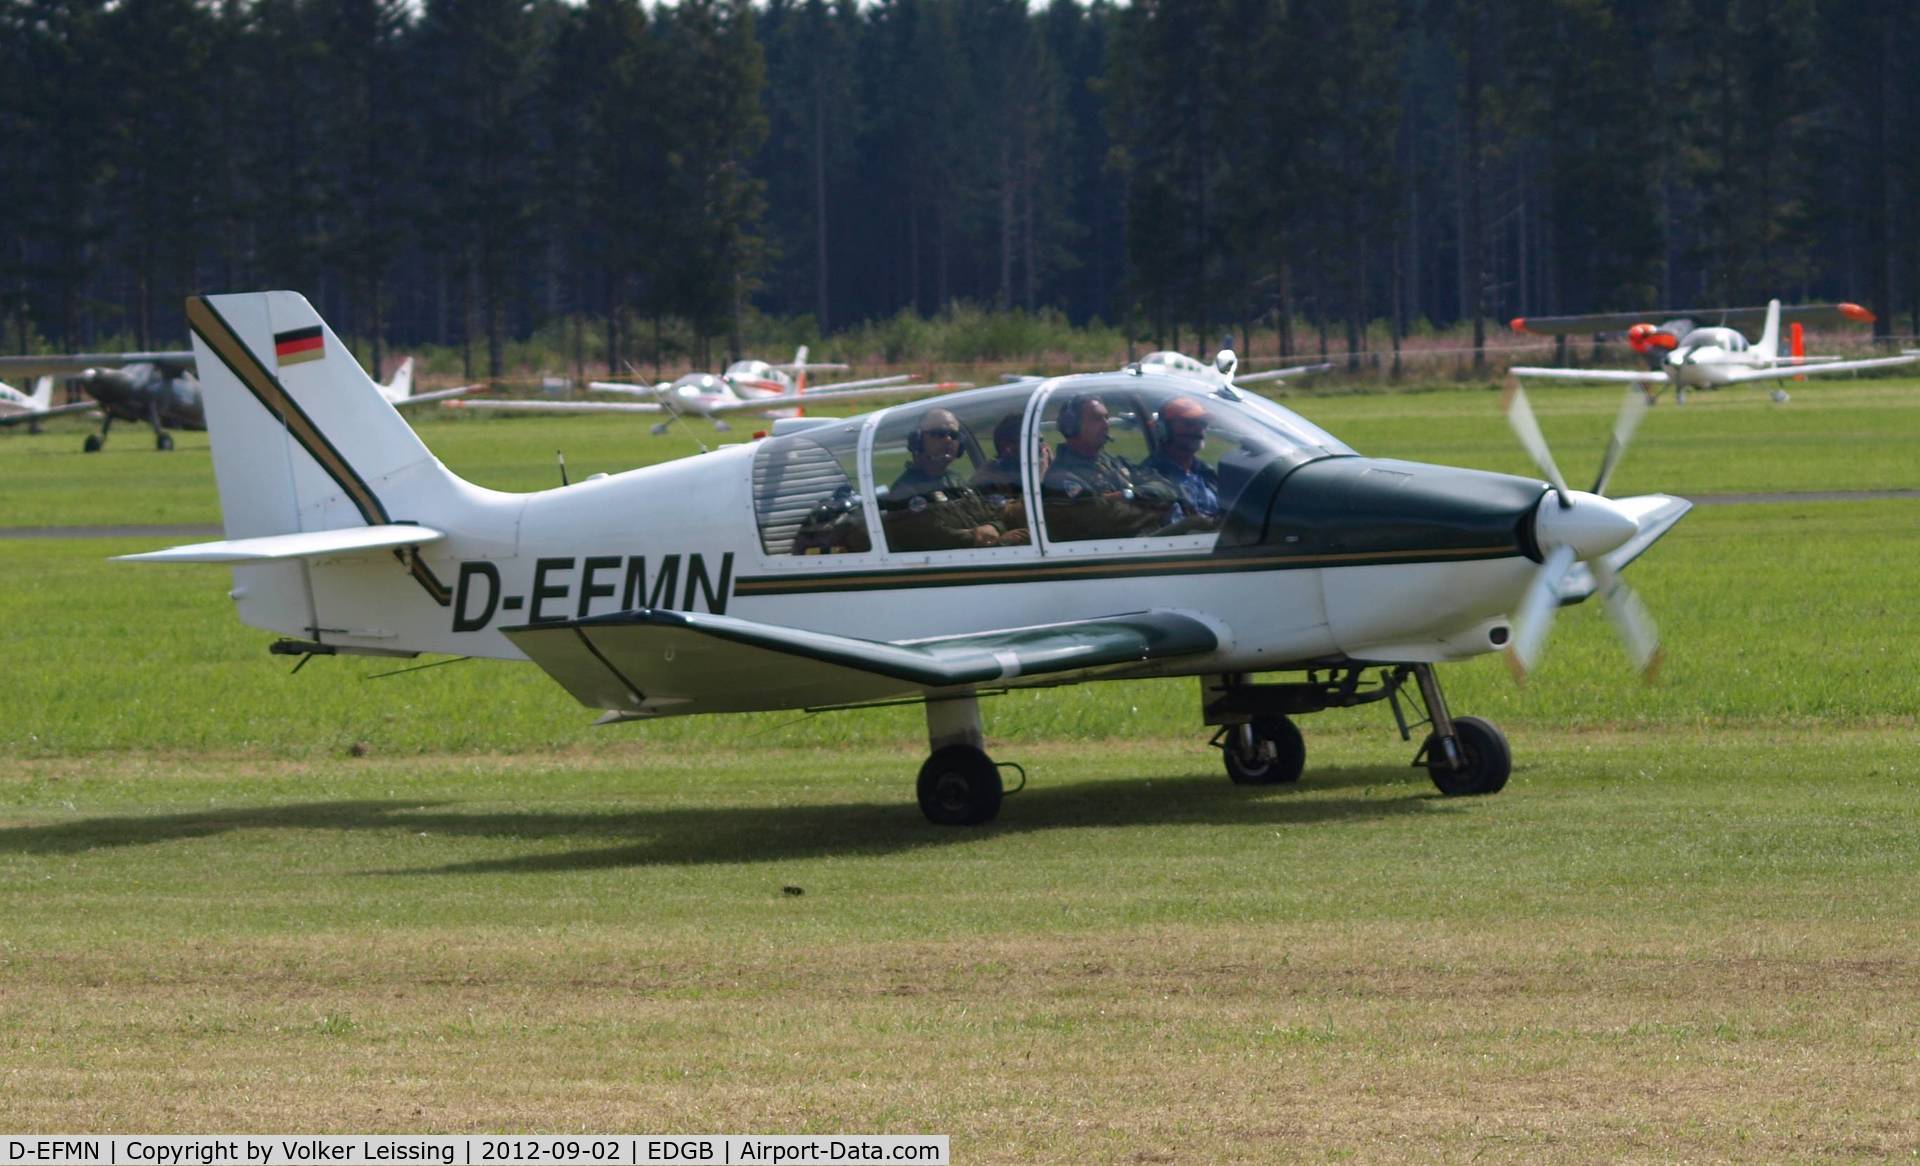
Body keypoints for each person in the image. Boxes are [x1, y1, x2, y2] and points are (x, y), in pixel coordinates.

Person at [883, 407, 1028, 551]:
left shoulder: (956, 480)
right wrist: (987, 538)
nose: (948, 440)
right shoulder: (905, 492)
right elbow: (933, 538)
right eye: (939, 434)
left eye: (953, 435)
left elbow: (991, 515)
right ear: (917, 440)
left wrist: (993, 527)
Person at [1041, 394, 1180, 541]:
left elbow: (1167, 487)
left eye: (1106, 418)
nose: (1106, 424)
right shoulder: (1061, 478)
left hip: (1144, 540)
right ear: (1071, 426)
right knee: (1197, 524)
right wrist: (1155, 510)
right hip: (1118, 548)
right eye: (1097, 419)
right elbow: (1102, 519)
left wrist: (1128, 495)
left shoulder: (1116, 464)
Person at [1141, 395, 1222, 525]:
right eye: (1188, 423)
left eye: (1202, 424)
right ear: (1163, 429)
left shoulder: (1205, 472)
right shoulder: (1151, 476)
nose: (1198, 430)